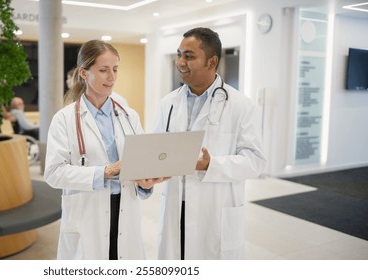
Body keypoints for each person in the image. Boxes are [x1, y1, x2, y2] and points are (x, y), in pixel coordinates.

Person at [45, 40, 166, 260]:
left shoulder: (130, 116)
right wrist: (104, 172)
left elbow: (141, 162)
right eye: (103, 70)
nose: (111, 77)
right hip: (87, 214)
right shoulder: (64, 119)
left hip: (125, 209)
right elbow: (53, 173)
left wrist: (146, 183)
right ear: (83, 72)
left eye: (115, 69)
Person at [153, 27, 267, 260]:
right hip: (175, 204)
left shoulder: (240, 106)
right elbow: (157, 149)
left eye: (189, 56)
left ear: (212, 61)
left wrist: (210, 165)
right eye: (179, 54)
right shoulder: (169, 103)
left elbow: (255, 162)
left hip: (214, 208)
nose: (180, 62)